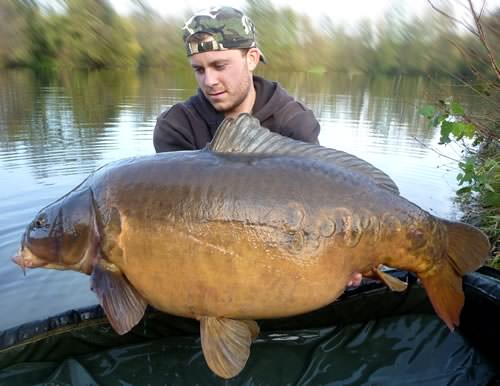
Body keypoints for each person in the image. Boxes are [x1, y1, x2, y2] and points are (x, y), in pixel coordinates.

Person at [153, 5, 362, 288]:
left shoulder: (294, 123)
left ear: (251, 58)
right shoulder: (176, 126)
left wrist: (341, 257)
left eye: (219, 66)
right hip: (205, 257)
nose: (209, 81)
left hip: (281, 254)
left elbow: (315, 207)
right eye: (198, 70)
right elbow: (173, 222)